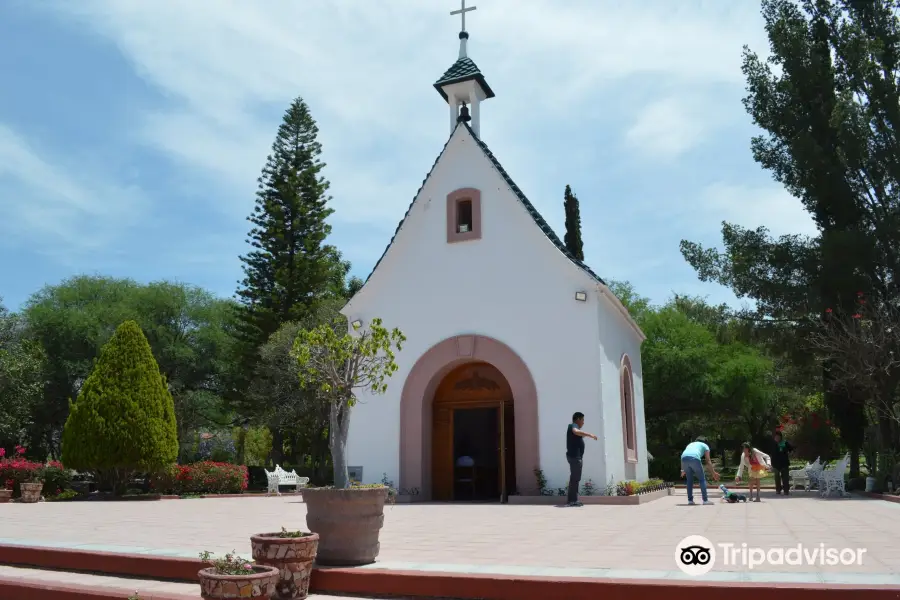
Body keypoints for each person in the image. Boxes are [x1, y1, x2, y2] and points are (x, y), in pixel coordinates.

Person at [566, 412, 598, 507]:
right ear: (578, 419)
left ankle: (572, 500)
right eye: (583, 420)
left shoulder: (575, 428)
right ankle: (572, 501)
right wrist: (590, 435)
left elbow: (577, 434)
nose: (583, 422)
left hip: (576, 457)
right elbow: (576, 431)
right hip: (575, 457)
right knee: (575, 479)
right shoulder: (573, 426)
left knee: (574, 479)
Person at [680, 437, 720, 505]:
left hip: (684, 459)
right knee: (702, 479)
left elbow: (683, 455)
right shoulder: (705, 446)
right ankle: (705, 500)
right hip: (695, 458)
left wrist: (682, 470)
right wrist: (713, 473)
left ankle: (690, 500)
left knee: (689, 480)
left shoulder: (690, 444)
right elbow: (708, 461)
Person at [770, 431, 794, 495]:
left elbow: (791, 450)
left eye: (778, 437)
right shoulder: (773, 444)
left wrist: (789, 455)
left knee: (785, 478)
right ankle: (778, 489)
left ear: (780, 437)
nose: (777, 438)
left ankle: (786, 490)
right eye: (775, 437)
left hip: (784, 463)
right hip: (775, 464)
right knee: (777, 477)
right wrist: (771, 464)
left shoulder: (785, 443)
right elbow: (771, 454)